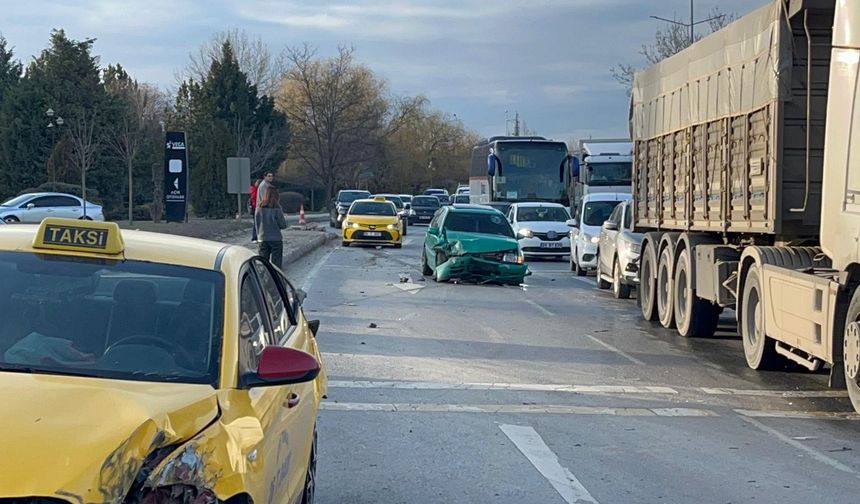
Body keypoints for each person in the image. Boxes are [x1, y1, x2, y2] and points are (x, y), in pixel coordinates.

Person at [255, 185, 287, 269]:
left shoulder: (259, 208)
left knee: (263, 263)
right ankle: (275, 279)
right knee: (276, 264)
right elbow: (283, 225)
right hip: (276, 238)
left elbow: (256, 224)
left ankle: (263, 279)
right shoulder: (277, 208)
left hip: (262, 238)